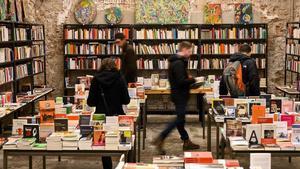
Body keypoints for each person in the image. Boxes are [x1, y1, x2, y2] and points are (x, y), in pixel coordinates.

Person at [153, 41, 200, 154]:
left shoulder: (178, 62)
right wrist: (193, 80)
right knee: (179, 119)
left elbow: (180, 79)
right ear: (184, 50)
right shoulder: (178, 63)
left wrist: (189, 81)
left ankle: (186, 141)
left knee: (181, 120)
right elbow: (180, 81)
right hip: (180, 95)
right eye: (189, 51)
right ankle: (161, 137)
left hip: (179, 94)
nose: (190, 53)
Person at [87, 58, 130, 169]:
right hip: (117, 115)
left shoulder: (96, 79)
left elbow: (90, 102)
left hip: (101, 117)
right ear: (115, 66)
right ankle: (124, 165)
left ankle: (108, 167)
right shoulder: (120, 78)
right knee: (123, 142)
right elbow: (126, 100)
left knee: (103, 144)